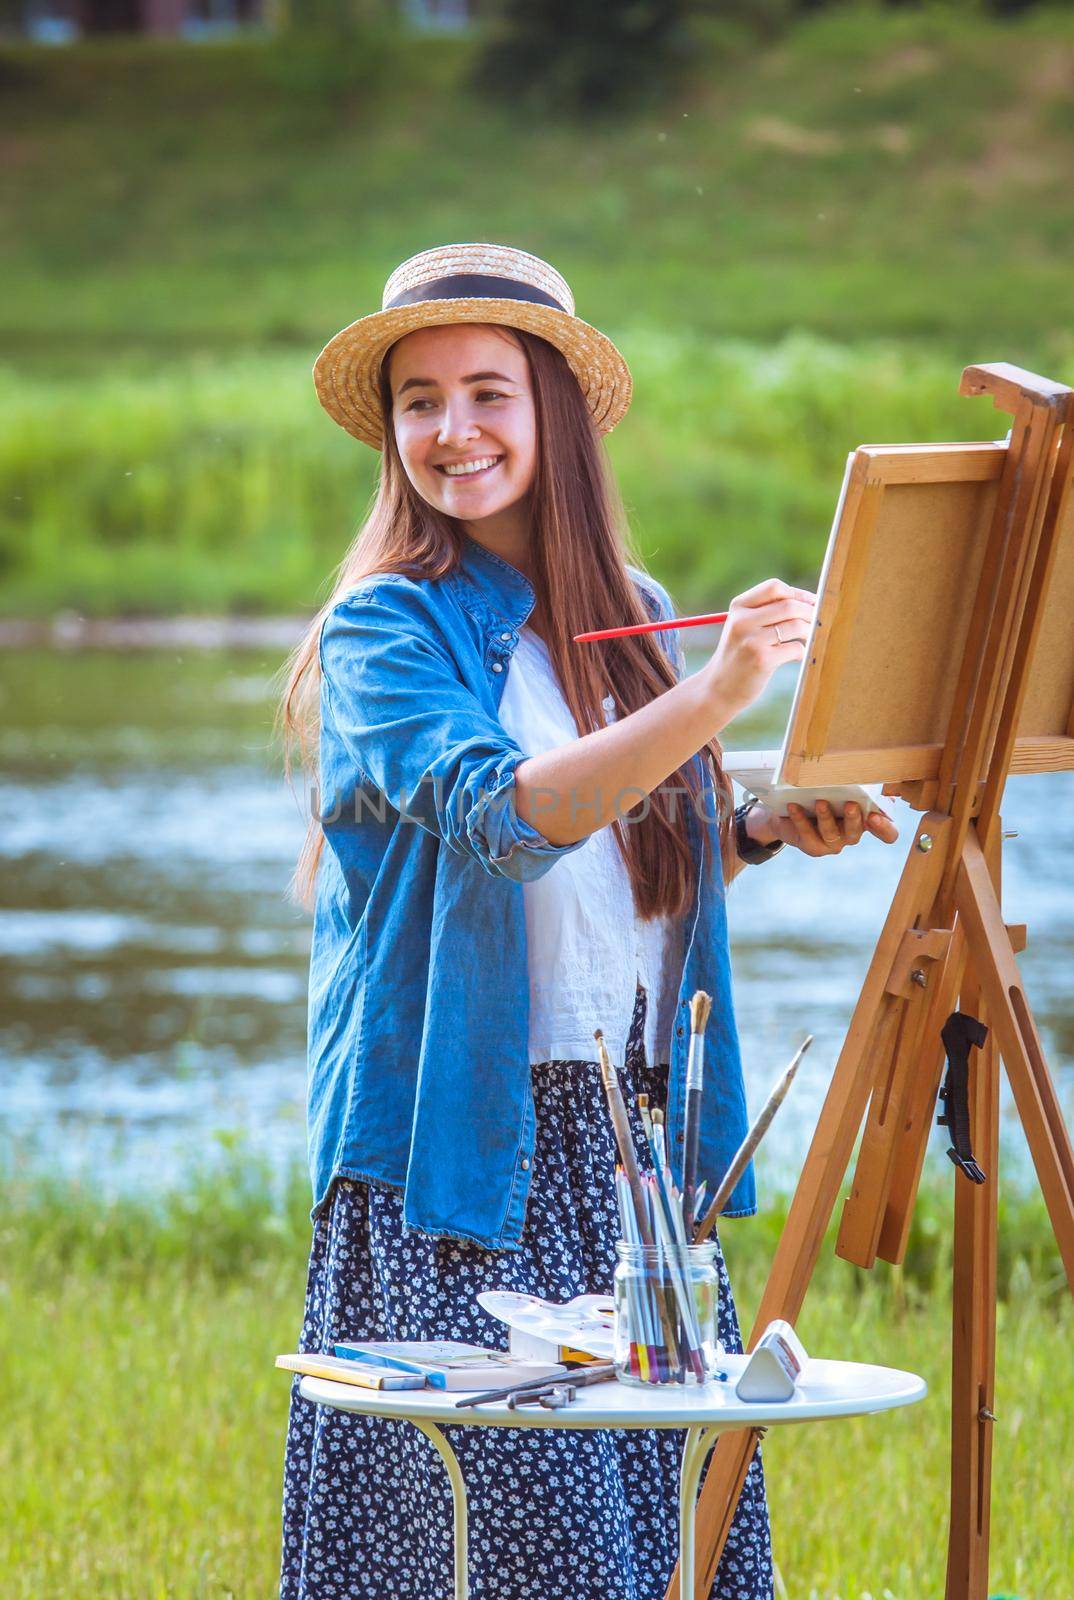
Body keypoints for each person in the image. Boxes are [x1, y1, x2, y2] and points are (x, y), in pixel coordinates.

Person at [276, 242, 899, 1600]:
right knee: (503, 1543)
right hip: (459, 1148)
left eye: (489, 393)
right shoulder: (386, 628)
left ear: (556, 412)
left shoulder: (628, 620)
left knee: (640, 1540)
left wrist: (746, 826)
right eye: (421, 401)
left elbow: (615, 870)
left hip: (629, 1141)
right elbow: (505, 818)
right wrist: (724, 693)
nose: (454, 431)